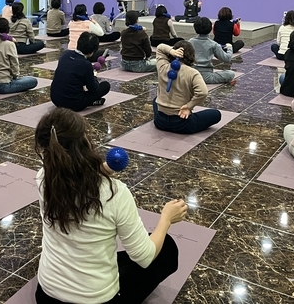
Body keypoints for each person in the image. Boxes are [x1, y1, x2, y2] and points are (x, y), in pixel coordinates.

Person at [34, 107, 185, 304]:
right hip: (98, 301)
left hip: (46, 297)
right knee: (166, 248)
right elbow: (144, 257)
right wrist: (166, 219)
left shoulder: (44, 178)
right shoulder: (115, 193)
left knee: (116, 257)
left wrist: (103, 168)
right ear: (85, 143)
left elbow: (70, 174)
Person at [154, 42, 221, 134]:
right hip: (182, 123)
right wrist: (188, 107)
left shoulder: (162, 67)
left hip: (160, 121)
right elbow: (203, 92)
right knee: (216, 114)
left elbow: (160, 48)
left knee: (155, 100)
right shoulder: (193, 73)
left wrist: (171, 51)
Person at [51, 32, 110, 111]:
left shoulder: (65, 54)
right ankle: (91, 102)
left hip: (55, 99)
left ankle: (91, 101)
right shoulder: (86, 65)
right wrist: (94, 76)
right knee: (105, 86)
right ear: (92, 51)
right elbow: (93, 88)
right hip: (73, 104)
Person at [0, 18, 38, 94]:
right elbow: (14, 64)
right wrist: (15, 76)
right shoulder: (9, 44)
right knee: (33, 81)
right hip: (2, 85)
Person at [189, 17, 236, 84]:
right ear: (210, 29)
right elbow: (227, 58)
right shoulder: (213, 44)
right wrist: (229, 48)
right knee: (230, 73)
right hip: (207, 77)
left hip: (191, 74)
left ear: (195, 28)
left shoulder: (190, 41)